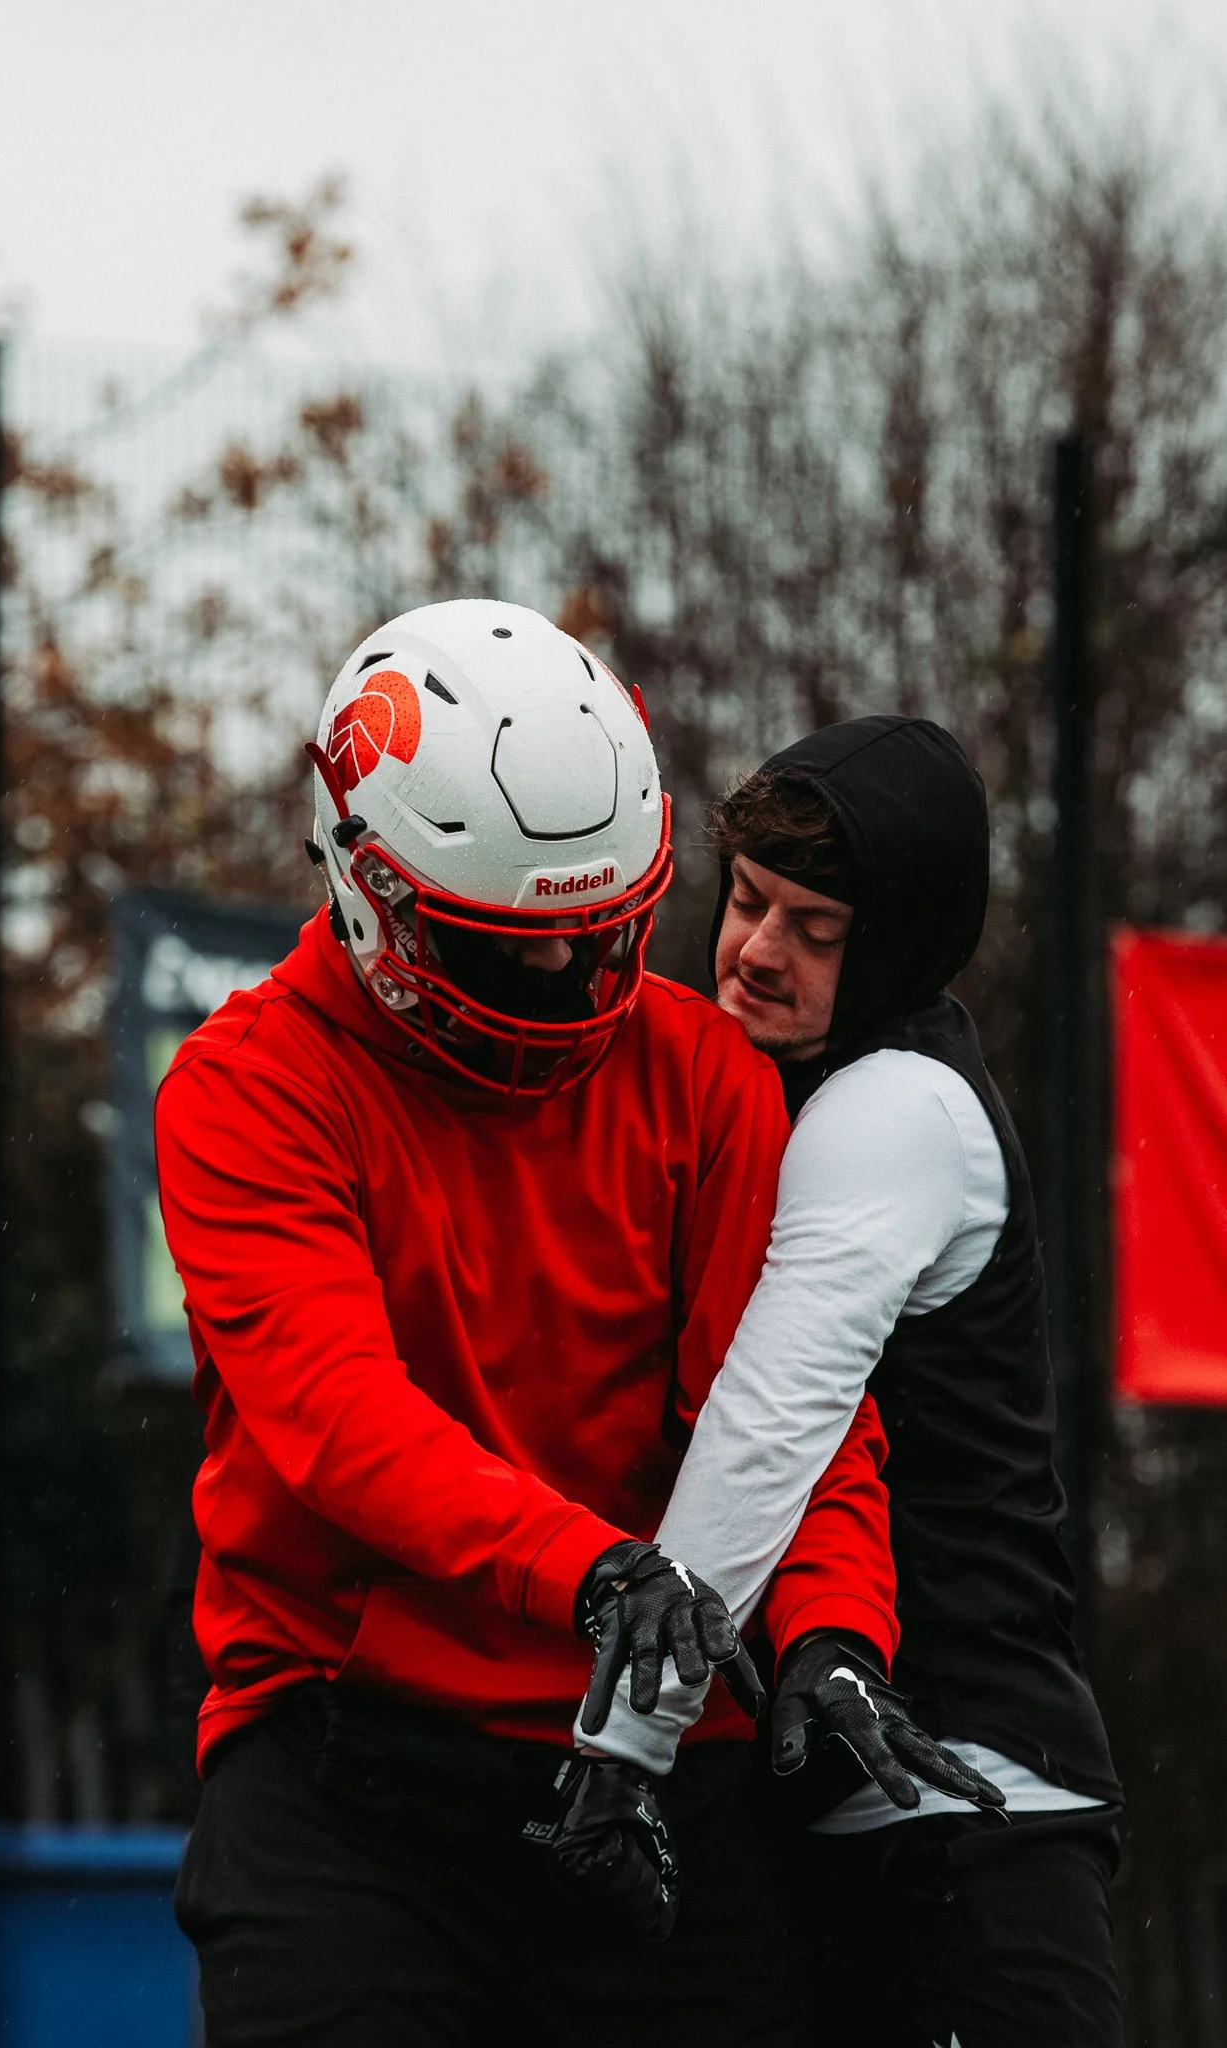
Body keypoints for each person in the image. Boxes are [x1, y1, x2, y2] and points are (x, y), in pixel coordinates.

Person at [155, 605, 971, 2048]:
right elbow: (339, 1420)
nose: (574, 984)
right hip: (355, 1776)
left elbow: (792, 1408)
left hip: (665, 1762)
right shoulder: (247, 1091)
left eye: (604, 936)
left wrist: (836, 1632)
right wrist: (594, 1571)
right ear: (370, 892)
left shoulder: (705, 1074)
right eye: (512, 946)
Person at [584, 716, 1124, 2047]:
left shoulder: (891, 1109)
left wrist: (623, 1749)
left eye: (816, 930)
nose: (758, 950)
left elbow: (768, 1419)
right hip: (852, 1814)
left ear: (889, 951)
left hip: (961, 1821)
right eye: (749, 902)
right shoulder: (760, 1090)